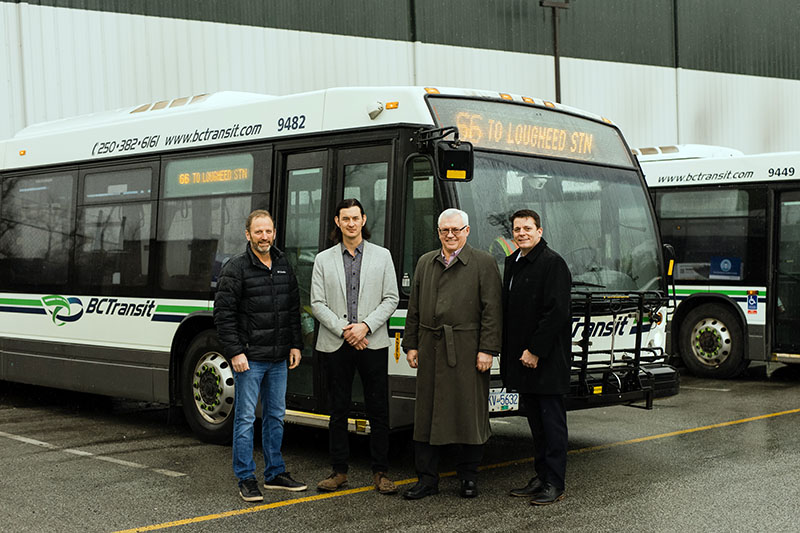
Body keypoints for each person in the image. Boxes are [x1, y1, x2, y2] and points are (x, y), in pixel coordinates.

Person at [402, 208, 502, 500]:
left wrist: (487, 349)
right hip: (430, 348)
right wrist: (411, 344)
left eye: (456, 230)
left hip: (468, 350)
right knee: (426, 416)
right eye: (445, 230)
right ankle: (427, 479)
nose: (450, 235)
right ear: (438, 233)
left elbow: (492, 311)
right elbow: (414, 308)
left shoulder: (483, 262)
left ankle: (468, 477)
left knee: (468, 414)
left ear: (467, 231)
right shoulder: (425, 262)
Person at [213, 209, 307, 503]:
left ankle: (275, 473)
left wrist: (295, 344)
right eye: (258, 232)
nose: (264, 237)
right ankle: (246, 478)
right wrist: (235, 352)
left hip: (279, 357)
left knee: (275, 416)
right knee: (243, 419)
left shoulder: (282, 264)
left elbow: (293, 309)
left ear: (274, 233)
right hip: (250, 360)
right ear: (248, 235)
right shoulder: (236, 268)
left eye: (268, 231)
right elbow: (223, 315)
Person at [311, 199, 400, 495]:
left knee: (378, 409)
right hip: (337, 343)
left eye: (355, 218)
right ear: (337, 222)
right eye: (345, 219)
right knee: (338, 409)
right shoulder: (323, 260)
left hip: (372, 341)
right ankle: (339, 471)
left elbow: (391, 298)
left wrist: (365, 327)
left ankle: (381, 472)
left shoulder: (382, 256)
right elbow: (317, 303)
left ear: (363, 220)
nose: (351, 223)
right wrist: (344, 330)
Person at [501, 209, 572, 505]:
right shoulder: (512, 262)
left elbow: (556, 314)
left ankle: (555, 482)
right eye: (517, 229)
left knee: (552, 425)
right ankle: (541, 476)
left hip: (546, 360)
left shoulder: (552, 263)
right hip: (523, 361)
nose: (522, 233)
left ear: (539, 231)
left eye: (528, 228)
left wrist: (535, 351)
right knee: (536, 424)